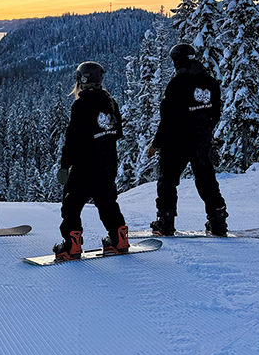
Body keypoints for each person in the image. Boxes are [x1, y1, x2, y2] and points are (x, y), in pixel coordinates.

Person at [147, 43, 227, 236]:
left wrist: (156, 144)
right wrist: (204, 130)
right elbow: (215, 112)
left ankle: (165, 222)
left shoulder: (177, 84)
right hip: (201, 140)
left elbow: (167, 119)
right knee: (206, 178)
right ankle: (218, 221)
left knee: (168, 181)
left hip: (176, 142)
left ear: (177, 61)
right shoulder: (210, 82)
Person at [53, 61, 129, 260]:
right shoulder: (111, 102)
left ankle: (71, 246)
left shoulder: (82, 104)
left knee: (71, 205)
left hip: (86, 164)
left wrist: (64, 165)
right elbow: (117, 133)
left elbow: (73, 139)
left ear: (83, 79)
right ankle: (119, 239)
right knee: (107, 202)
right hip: (108, 162)